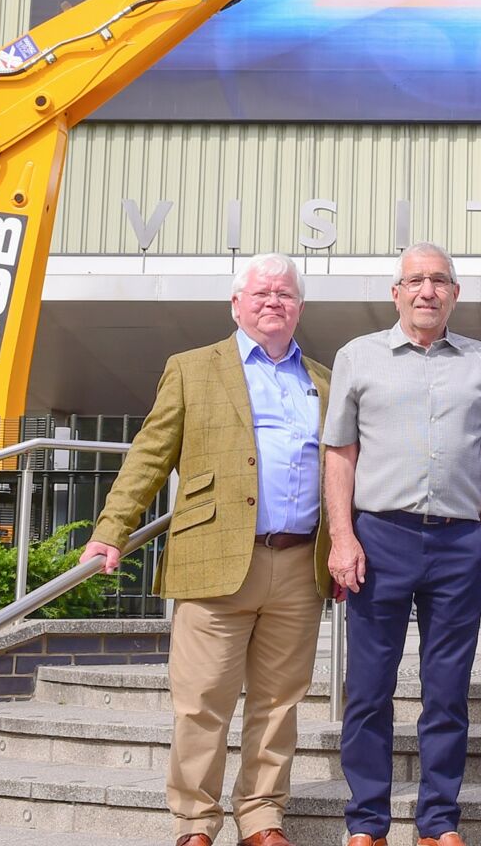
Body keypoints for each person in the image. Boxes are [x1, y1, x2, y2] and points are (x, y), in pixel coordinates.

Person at [80, 253, 331, 846]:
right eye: (262, 293)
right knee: (201, 705)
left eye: (286, 294)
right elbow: (150, 453)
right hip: (215, 561)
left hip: (299, 564)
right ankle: (195, 823)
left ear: (300, 306)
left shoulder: (321, 377)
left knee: (278, 703)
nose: (274, 302)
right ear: (236, 304)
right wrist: (111, 529)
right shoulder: (194, 368)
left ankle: (262, 818)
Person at [324, 242, 481, 846]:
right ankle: (367, 822)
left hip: (459, 545)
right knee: (371, 689)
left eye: (439, 281)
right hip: (380, 539)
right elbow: (340, 454)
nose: (427, 291)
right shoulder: (358, 357)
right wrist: (343, 535)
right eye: (415, 281)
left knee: (447, 693)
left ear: (455, 293)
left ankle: (437, 822)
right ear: (396, 292)